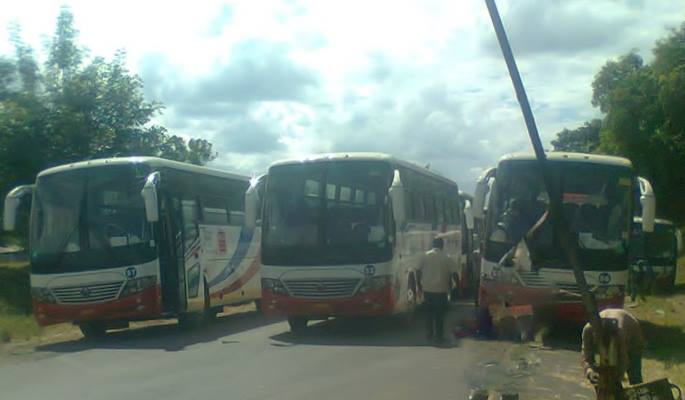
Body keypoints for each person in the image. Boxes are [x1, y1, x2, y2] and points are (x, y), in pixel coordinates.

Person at [581, 308, 644, 386]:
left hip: (632, 334)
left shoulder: (619, 333)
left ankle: (638, 390)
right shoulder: (588, 330)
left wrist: (616, 378)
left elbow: (623, 359)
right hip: (616, 321)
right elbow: (586, 356)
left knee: (634, 372)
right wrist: (590, 371)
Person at [417, 237, 459, 343]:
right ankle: (439, 336)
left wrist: (419, 284)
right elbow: (454, 274)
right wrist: (457, 287)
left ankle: (429, 333)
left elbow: (417, 270)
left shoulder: (425, 256)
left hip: (427, 289)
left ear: (433, 245)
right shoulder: (447, 257)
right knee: (439, 314)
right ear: (442, 245)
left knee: (429, 313)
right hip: (441, 290)